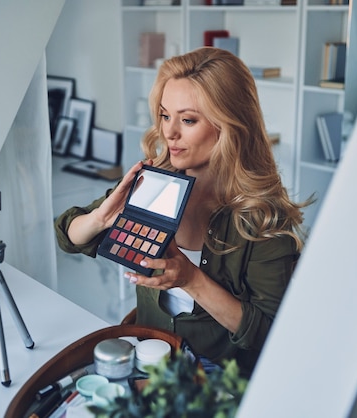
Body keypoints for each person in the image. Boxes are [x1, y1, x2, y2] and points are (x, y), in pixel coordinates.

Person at [55, 47, 310, 377]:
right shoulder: (151, 182)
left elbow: (268, 332)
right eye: (165, 115)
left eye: (188, 120)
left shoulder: (262, 217)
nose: (169, 133)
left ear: (229, 125)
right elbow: (67, 235)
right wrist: (99, 218)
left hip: (218, 381)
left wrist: (191, 280)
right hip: (150, 363)